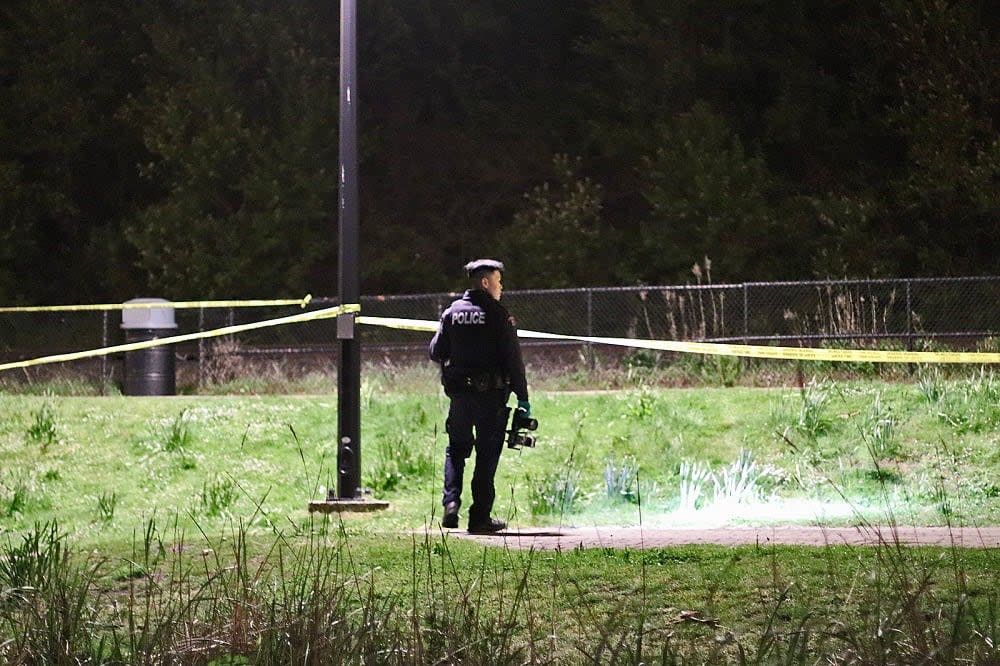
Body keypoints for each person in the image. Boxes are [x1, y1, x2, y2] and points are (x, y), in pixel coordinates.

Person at [429, 259, 530, 533]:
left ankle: (451, 504)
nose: (501, 286)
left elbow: (436, 351)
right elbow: (513, 359)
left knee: (456, 451)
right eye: (498, 281)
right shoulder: (498, 314)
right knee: (486, 456)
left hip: (460, 398)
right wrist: (523, 398)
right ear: (485, 283)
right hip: (491, 398)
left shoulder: (452, 313)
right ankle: (479, 518)